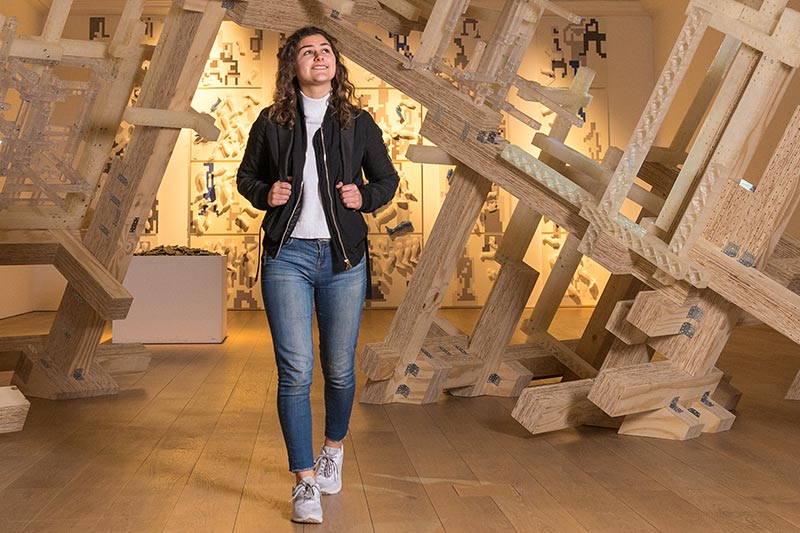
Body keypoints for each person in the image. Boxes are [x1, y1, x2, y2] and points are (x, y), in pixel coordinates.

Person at [236, 26, 399, 524]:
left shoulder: (357, 122)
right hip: (286, 257)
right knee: (296, 371)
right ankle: (305, 482)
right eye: (307, 51)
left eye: (325, 50)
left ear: (336, 63)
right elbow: (247, 176)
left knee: (341, 369)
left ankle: (333, 450)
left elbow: (387, 180)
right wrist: (266, 194)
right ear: (293, 66)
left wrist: (364, 198)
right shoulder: (271, 121)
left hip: (343, 259)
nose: (318, 57)